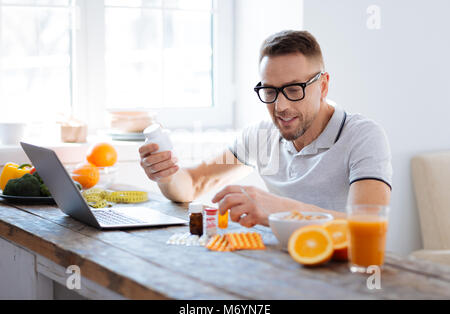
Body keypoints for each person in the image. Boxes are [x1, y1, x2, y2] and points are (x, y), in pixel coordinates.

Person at [139, 30, 392, 228]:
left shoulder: (362, 136)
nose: (280, 106)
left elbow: (369, 224)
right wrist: (166, 173)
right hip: (280, 268)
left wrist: (278, 209)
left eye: (294, 90)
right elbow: (193, 183)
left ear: (323, 86)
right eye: (270, 91)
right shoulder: (260, 136)